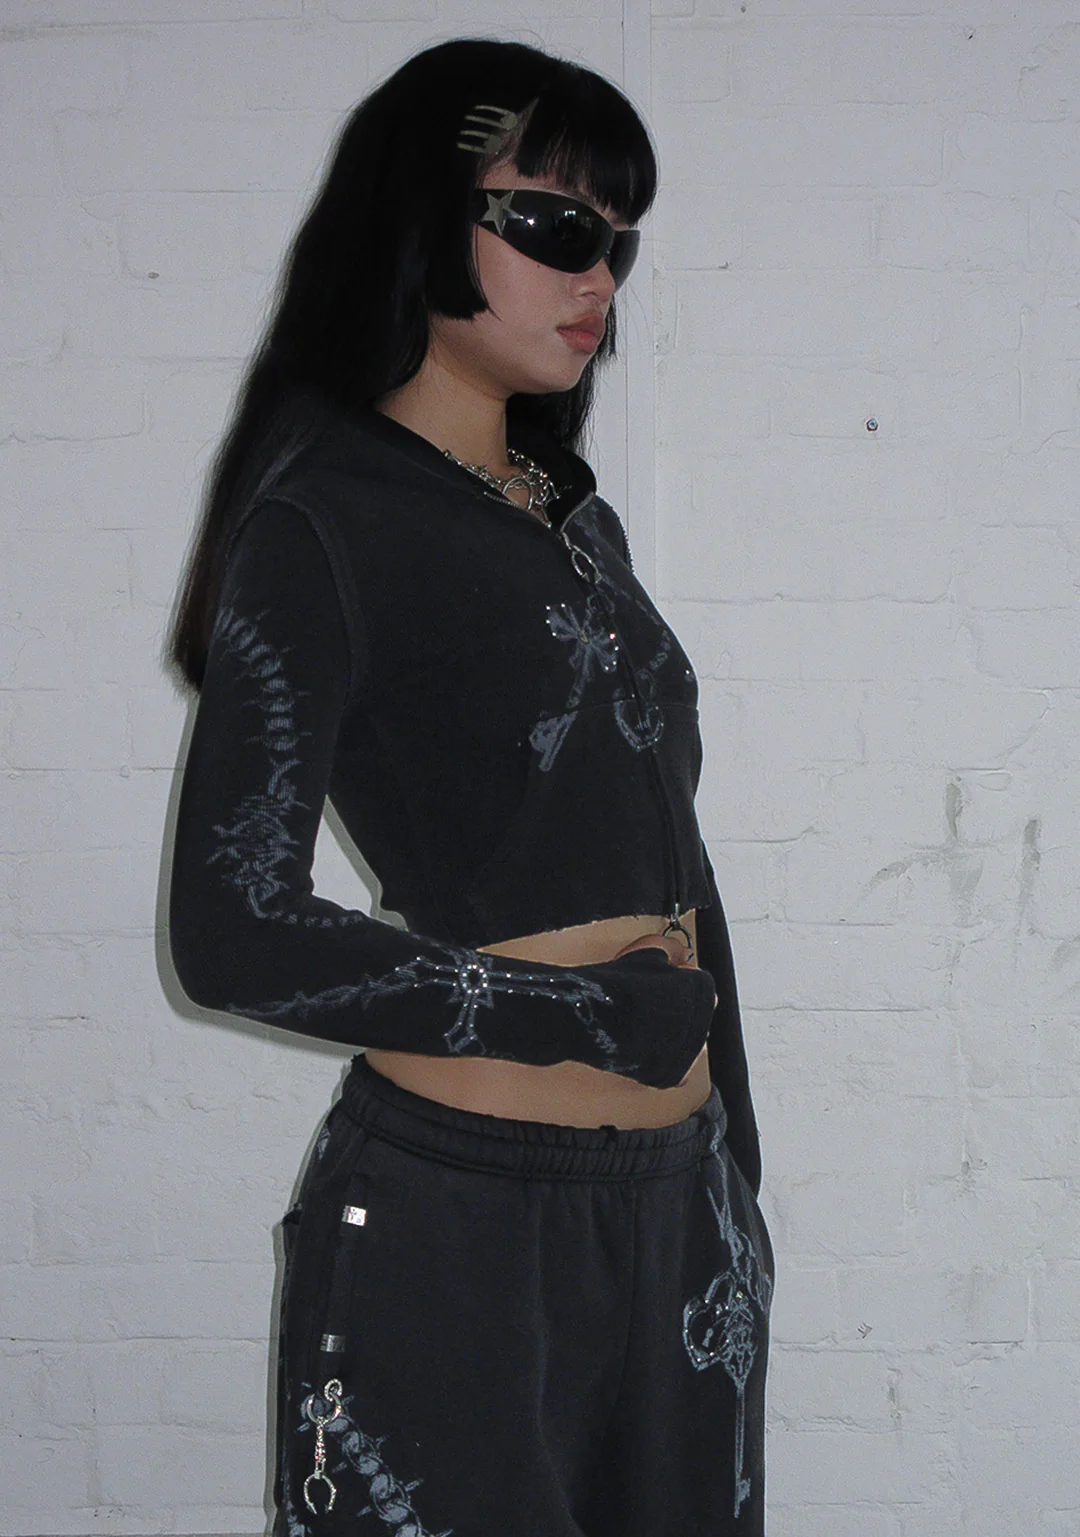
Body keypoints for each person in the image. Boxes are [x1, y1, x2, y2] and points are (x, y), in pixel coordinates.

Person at [165, 35, 773, 1537]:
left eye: (619, 241)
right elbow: (232, 933)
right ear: (422, 219)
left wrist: (739, 1184)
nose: (598, 275)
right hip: (460, 1221)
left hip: (676, 1211)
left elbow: (671, 856)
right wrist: (582, 1018)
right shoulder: (323, 523)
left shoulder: (576, 524)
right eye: (556, 224)